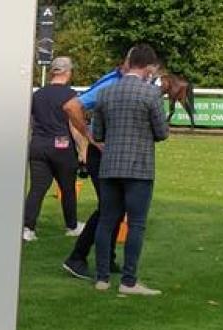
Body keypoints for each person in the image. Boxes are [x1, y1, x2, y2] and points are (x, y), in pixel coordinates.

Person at [91, 44, 168, 296]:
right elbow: (162, 132)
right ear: (148, 67)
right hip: (139, 169)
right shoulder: (151, 94)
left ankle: (102, 278)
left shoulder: (105, 93)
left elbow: (98, 133)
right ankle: (129, 280)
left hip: (110, 166)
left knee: (106, 221)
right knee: (136, 224)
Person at [62, 56, 131, 280]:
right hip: (100, 153)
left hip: (110, 153)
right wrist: (89, 136)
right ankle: (76, 258)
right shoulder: (110, 83)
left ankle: (107, 258)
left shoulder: (123, 81)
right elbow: (72, 106)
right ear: (127, 64)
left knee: (116, 207)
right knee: (109, 207)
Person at [22, 57, 94, 242]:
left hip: (38, 146)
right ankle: (72, 226)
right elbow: (74, 126)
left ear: (52, 72)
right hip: (62, 146)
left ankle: (28, 228)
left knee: (37, 189)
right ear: (68, 73)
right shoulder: (71, 96)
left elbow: (30, 122)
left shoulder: (37, 95)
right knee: (67, 188)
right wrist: (83, 149)